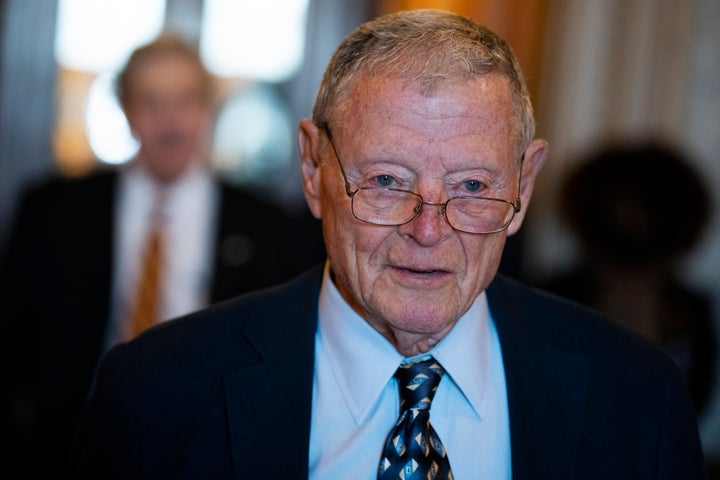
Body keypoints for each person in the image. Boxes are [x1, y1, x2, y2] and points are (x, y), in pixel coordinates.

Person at [67, 10, 704, 479]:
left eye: (473, 184)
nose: (428, 230)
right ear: (314, 170)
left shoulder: (636, 397)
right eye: (386, 181)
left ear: (525, 186)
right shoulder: (156, 394)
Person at [0, 34, 324, 479]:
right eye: (151, 102)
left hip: (212, 444)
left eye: (185, 101)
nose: (170, 121)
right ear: (126, 111)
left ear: (207, 109)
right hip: (70, 445)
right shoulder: (53, 211)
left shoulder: (269, 226)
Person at [541, 141, 716, 417]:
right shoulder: (554, 294)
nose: (632, 217)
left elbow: (693, 401)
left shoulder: (689, 307)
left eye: (644, 205)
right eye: (622, 203)